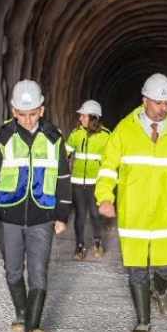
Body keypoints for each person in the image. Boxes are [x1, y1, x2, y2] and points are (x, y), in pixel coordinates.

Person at [95, 73, 167, 332]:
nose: (163, 108)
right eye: (158, 102)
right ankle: (143, 322)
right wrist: (104, 196)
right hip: (135, 212)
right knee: (136, 269)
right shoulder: (124, 130)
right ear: (144, 101)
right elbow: (108, 167)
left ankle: (160, 290)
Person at [0, 80, 71, 332]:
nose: (28, 120)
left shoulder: (55, 138)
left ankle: (32, 330)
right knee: (13, 270)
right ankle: (22, 312)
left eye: (33, 113)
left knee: (39, 271)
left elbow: (63, 178)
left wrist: (62, 215)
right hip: (8, 217)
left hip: (43, 216)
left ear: (42, 110)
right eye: (22, 114)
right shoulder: (3, 137)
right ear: (13, 110)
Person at [65, 100, 111, 261]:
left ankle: (97, 243)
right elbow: (66, 153)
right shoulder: (75, 134)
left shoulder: (106, 136)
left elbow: (111, 161)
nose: (80, 118)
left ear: (93, 118)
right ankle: (79, 247)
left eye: (83, 115)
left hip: (96, 183)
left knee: (95, 214)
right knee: (80, 215)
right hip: (77, 182)